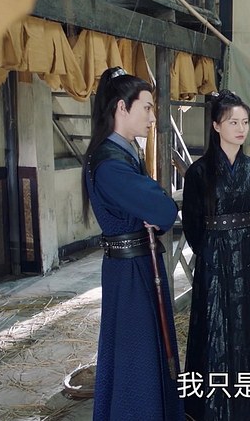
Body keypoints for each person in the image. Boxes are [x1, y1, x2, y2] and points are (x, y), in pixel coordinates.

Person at [82, 67, 183, 421]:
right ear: (122, 108)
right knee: (135, 357)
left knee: (147, 351)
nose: (153, 118)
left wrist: (155, 203)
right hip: (130, 273)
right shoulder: (110, 165)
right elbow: (164, 209)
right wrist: (157, 204)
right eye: (147, 108)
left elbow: (157, 206)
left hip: (138, 264)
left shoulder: (124, 155)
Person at [182, 90, 250, 421]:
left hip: (249, 254)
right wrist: (209, 251)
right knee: (215, 322)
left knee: (249, 322)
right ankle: (212, 404)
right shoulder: (199, 172)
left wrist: (247, 246)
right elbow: (192, 223)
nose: (241, 129)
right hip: (213, 255)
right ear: (216, 125)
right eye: (232, 122)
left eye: (245, 122)